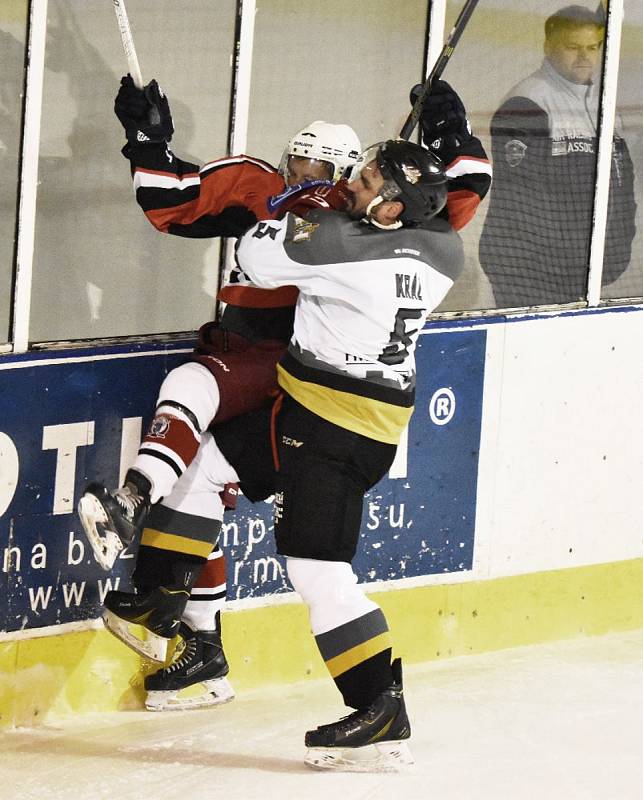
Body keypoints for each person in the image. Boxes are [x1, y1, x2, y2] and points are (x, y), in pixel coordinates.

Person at [78, 76, 490, 712]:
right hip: (317, 396)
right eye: (297, 158)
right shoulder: (432, 246)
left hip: (329, 412)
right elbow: (458, 192)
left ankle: (378, 707)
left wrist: (302, 211)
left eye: (338, 170)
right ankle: (183, 627)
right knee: (201, 468)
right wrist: (147, 142)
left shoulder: (340, 236)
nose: (307, 171)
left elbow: (270, 250)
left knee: (316, 569)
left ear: (378, 198)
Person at [479, 4, 636, 308]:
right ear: (549, 47)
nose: (584, 56)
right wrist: (572, 261)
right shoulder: (528, 102)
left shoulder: (602, 102)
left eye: (592, 47)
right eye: (573, 47)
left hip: (585, 272)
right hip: (534, 275)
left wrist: (615, 251)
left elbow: (622, 181)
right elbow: (522, 202)